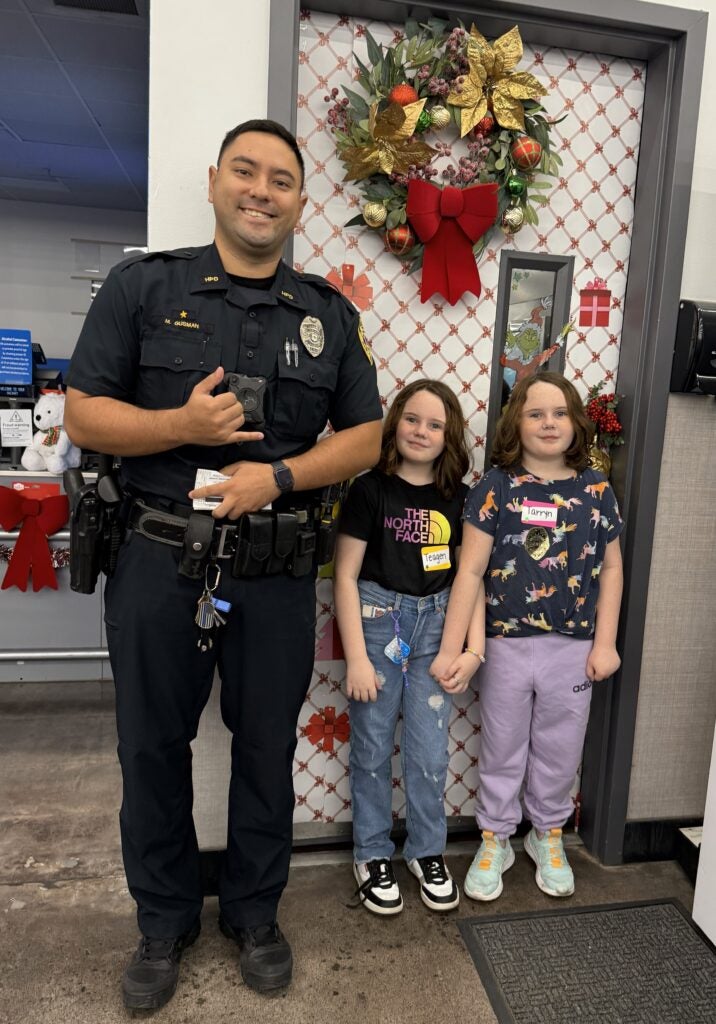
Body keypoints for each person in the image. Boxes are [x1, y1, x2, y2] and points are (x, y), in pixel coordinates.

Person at [63, 119, 383, 1009]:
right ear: (214, 182)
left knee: (265, 749)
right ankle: (163, 922)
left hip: (275, 571)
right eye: (245, 172)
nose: (261, 191)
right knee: (152, 750)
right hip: (156, 560)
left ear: (300, 201)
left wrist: (276, 475)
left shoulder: (325, 314)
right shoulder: (141, 287)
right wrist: (179, 429)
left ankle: (253, 912)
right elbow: (83, 414)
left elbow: (366, 435)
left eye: (282, 179)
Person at [431, 371, 623, 903]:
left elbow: (612, 569)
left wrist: (605, 642)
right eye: (536, 413)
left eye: (559, 413)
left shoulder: (596, 490)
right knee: (503, 745)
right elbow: (468, 572)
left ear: (576, 423)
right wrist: (453, 649)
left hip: (574, 648)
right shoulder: (495, 487)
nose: (548, 423)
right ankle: (496, 836)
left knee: (561, 747)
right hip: (506, 646)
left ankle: (548, 833)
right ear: (516, 421)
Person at [334, 379, 479, 916]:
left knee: (429, 752)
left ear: (450, 435)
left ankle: (427, 851)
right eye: (413, 419)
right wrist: (356, 657)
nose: (422, 431)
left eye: (435, 424)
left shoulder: (457, 498)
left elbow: (471, 574)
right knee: (371, 747)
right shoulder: (369, 490)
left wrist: (470, 648)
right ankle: (371, 852)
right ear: (395, 422)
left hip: (437, 629)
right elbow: (344, 577)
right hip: (377, 625)